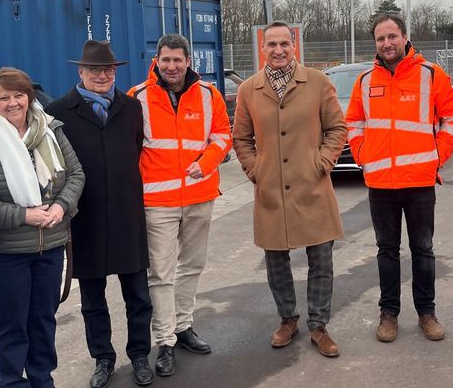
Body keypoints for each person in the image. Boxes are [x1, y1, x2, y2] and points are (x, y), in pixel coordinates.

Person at [233, 21, 347, 358]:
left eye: (284, 43)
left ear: (294, 45)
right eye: (272, 44)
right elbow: (240, 138)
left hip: (312, 185)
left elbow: (337, 128)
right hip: (270, 188)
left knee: (321, 260)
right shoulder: (248, 90)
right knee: (276, 261)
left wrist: (321, 162)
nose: (278, 50)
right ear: (263, 48)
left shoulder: (317, 83)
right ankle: (287, 319)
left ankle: (319, 325)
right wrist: (256, 169)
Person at [345, 14, 453, 343]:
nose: (387, 43)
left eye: (392, 36)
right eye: (380, 39)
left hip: (420, 181)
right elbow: (353, 123)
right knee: (386, 251)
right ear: (375, 43)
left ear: (405, 36)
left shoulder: (430, 75)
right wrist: (363, 156)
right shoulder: (366, 80)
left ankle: (427, 313)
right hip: (380, 183)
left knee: (423, 249)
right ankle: (389, 314)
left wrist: (437, 156)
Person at [46, 40, 154, 387]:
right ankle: (103, 358)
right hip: (86, 218)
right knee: (92, 299)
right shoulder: (59, 111)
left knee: (138, 294)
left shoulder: (131, 107)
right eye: (95, 70)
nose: (102, 75)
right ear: (81, 72)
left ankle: (139, 354)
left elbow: (135, 149)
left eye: (108, 69)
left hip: (127, 214)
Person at [0, 68, 86, 386]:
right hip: (3, 252)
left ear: (29, 97)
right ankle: (12, 381)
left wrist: (61, 206)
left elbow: (76, 175)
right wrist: (24, 216)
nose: (13, 102)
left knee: (43, 320)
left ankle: (41, 378)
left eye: (19, 95)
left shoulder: (50, 130)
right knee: (12, 324)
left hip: (49, 245)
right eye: (3, 97)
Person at [128, 34, 231, 377]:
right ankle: (166, 340)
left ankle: (184, 326)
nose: (171, 66)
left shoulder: (209, 95)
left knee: (193, 265)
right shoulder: (137, 98)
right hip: (157, 201)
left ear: (189, 61)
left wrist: (207, 162)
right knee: (160, 274)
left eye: (178, 60)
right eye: (165, 60)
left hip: (200, 196)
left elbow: (222, 135)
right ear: (156, 61)